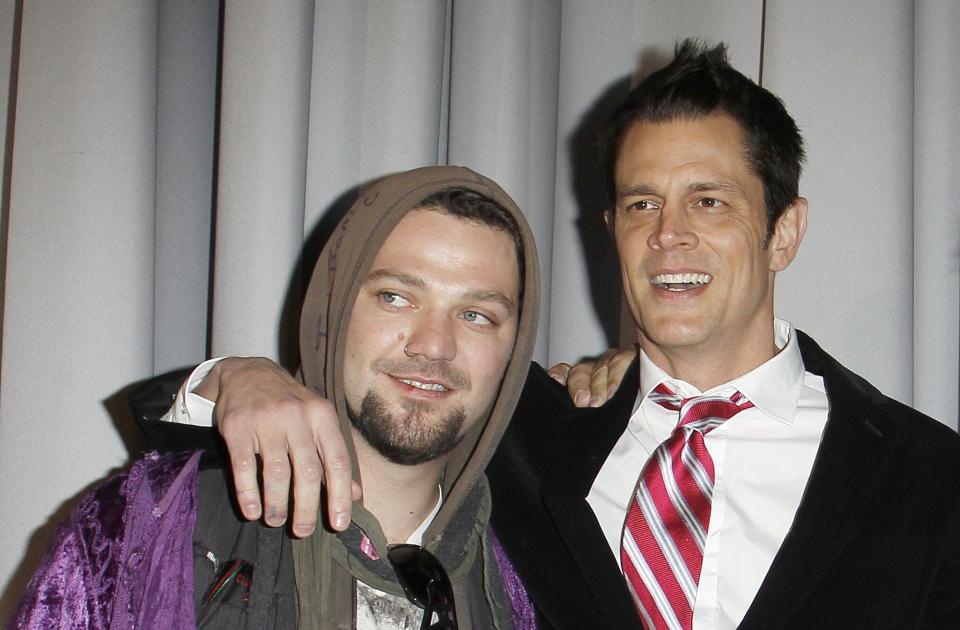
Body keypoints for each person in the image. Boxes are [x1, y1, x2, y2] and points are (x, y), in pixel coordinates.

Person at [137, 41, 960, 629]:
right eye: (642, 204)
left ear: (784, 232)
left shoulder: (928, 479)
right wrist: (239, 378)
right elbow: (184, 462)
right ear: (611, 229)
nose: (669, 235)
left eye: (709, 201)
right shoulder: (525, 422)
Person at [9, 166, 543, 629]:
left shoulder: (535, 569)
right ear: (331, 313)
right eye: (395, 297)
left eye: (477, 315)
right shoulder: (147, 530)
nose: (434, 345)